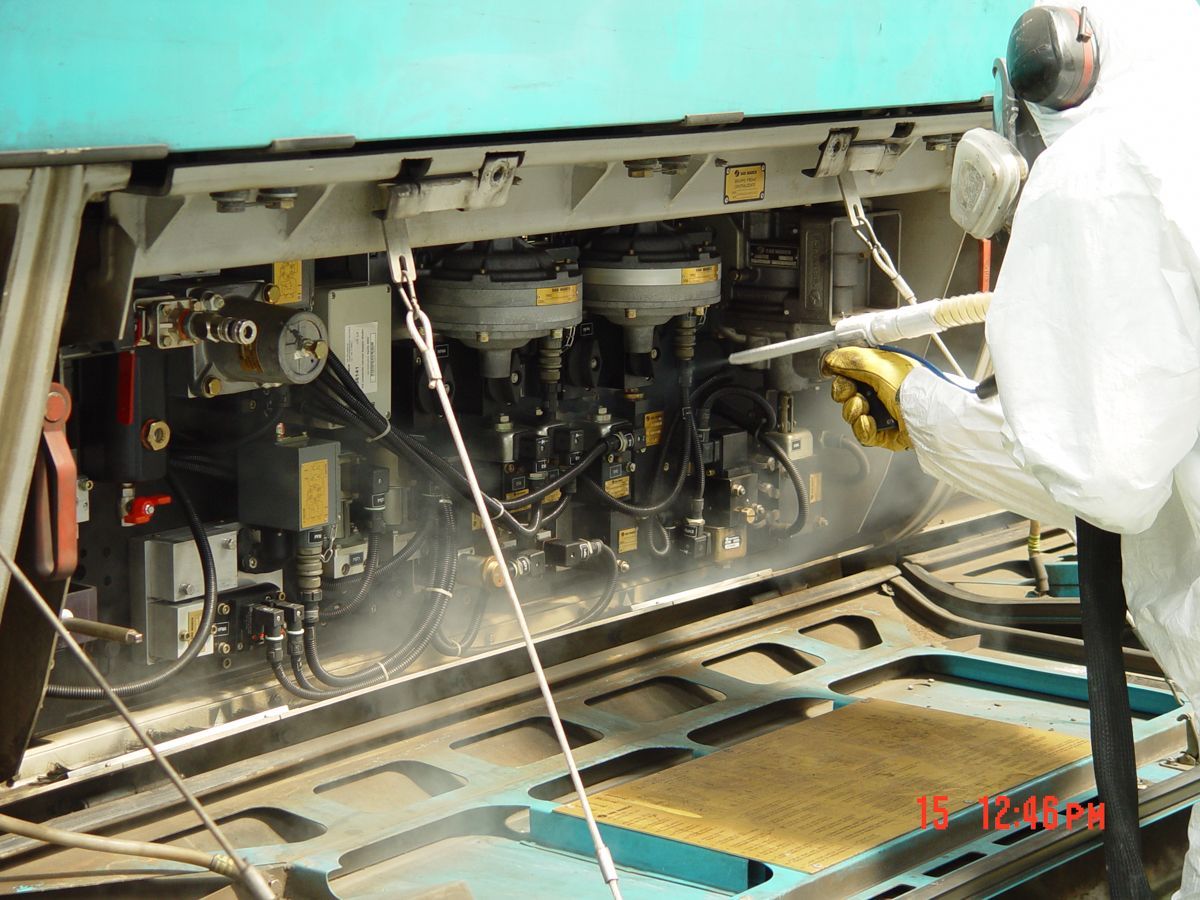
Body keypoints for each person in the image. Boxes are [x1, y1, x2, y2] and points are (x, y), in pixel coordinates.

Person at [822, 1, 1200, 894]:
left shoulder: (1108, 166)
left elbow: (1104, 474)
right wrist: (932, 416)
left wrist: (923, 410)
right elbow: (1148, 431)